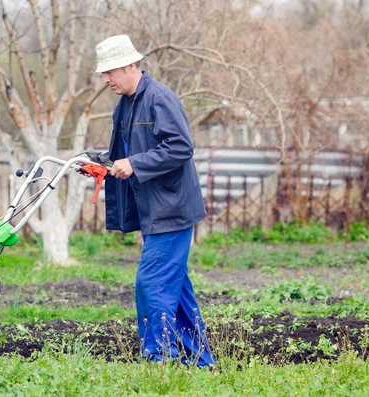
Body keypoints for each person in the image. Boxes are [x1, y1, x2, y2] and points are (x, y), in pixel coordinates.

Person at [93, 34, 215, 366]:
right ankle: (200, 361)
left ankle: (159, 362)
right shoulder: (125, 104)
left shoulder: (160, 98)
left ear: (131, 65)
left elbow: (180, 147)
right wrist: (100, 164)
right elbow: (127, 152)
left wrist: (134, 164)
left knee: (151, 285)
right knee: (177, 291)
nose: (106, 79)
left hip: (172, 208)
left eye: (111, 72)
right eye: (104, 73)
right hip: (153, 210)